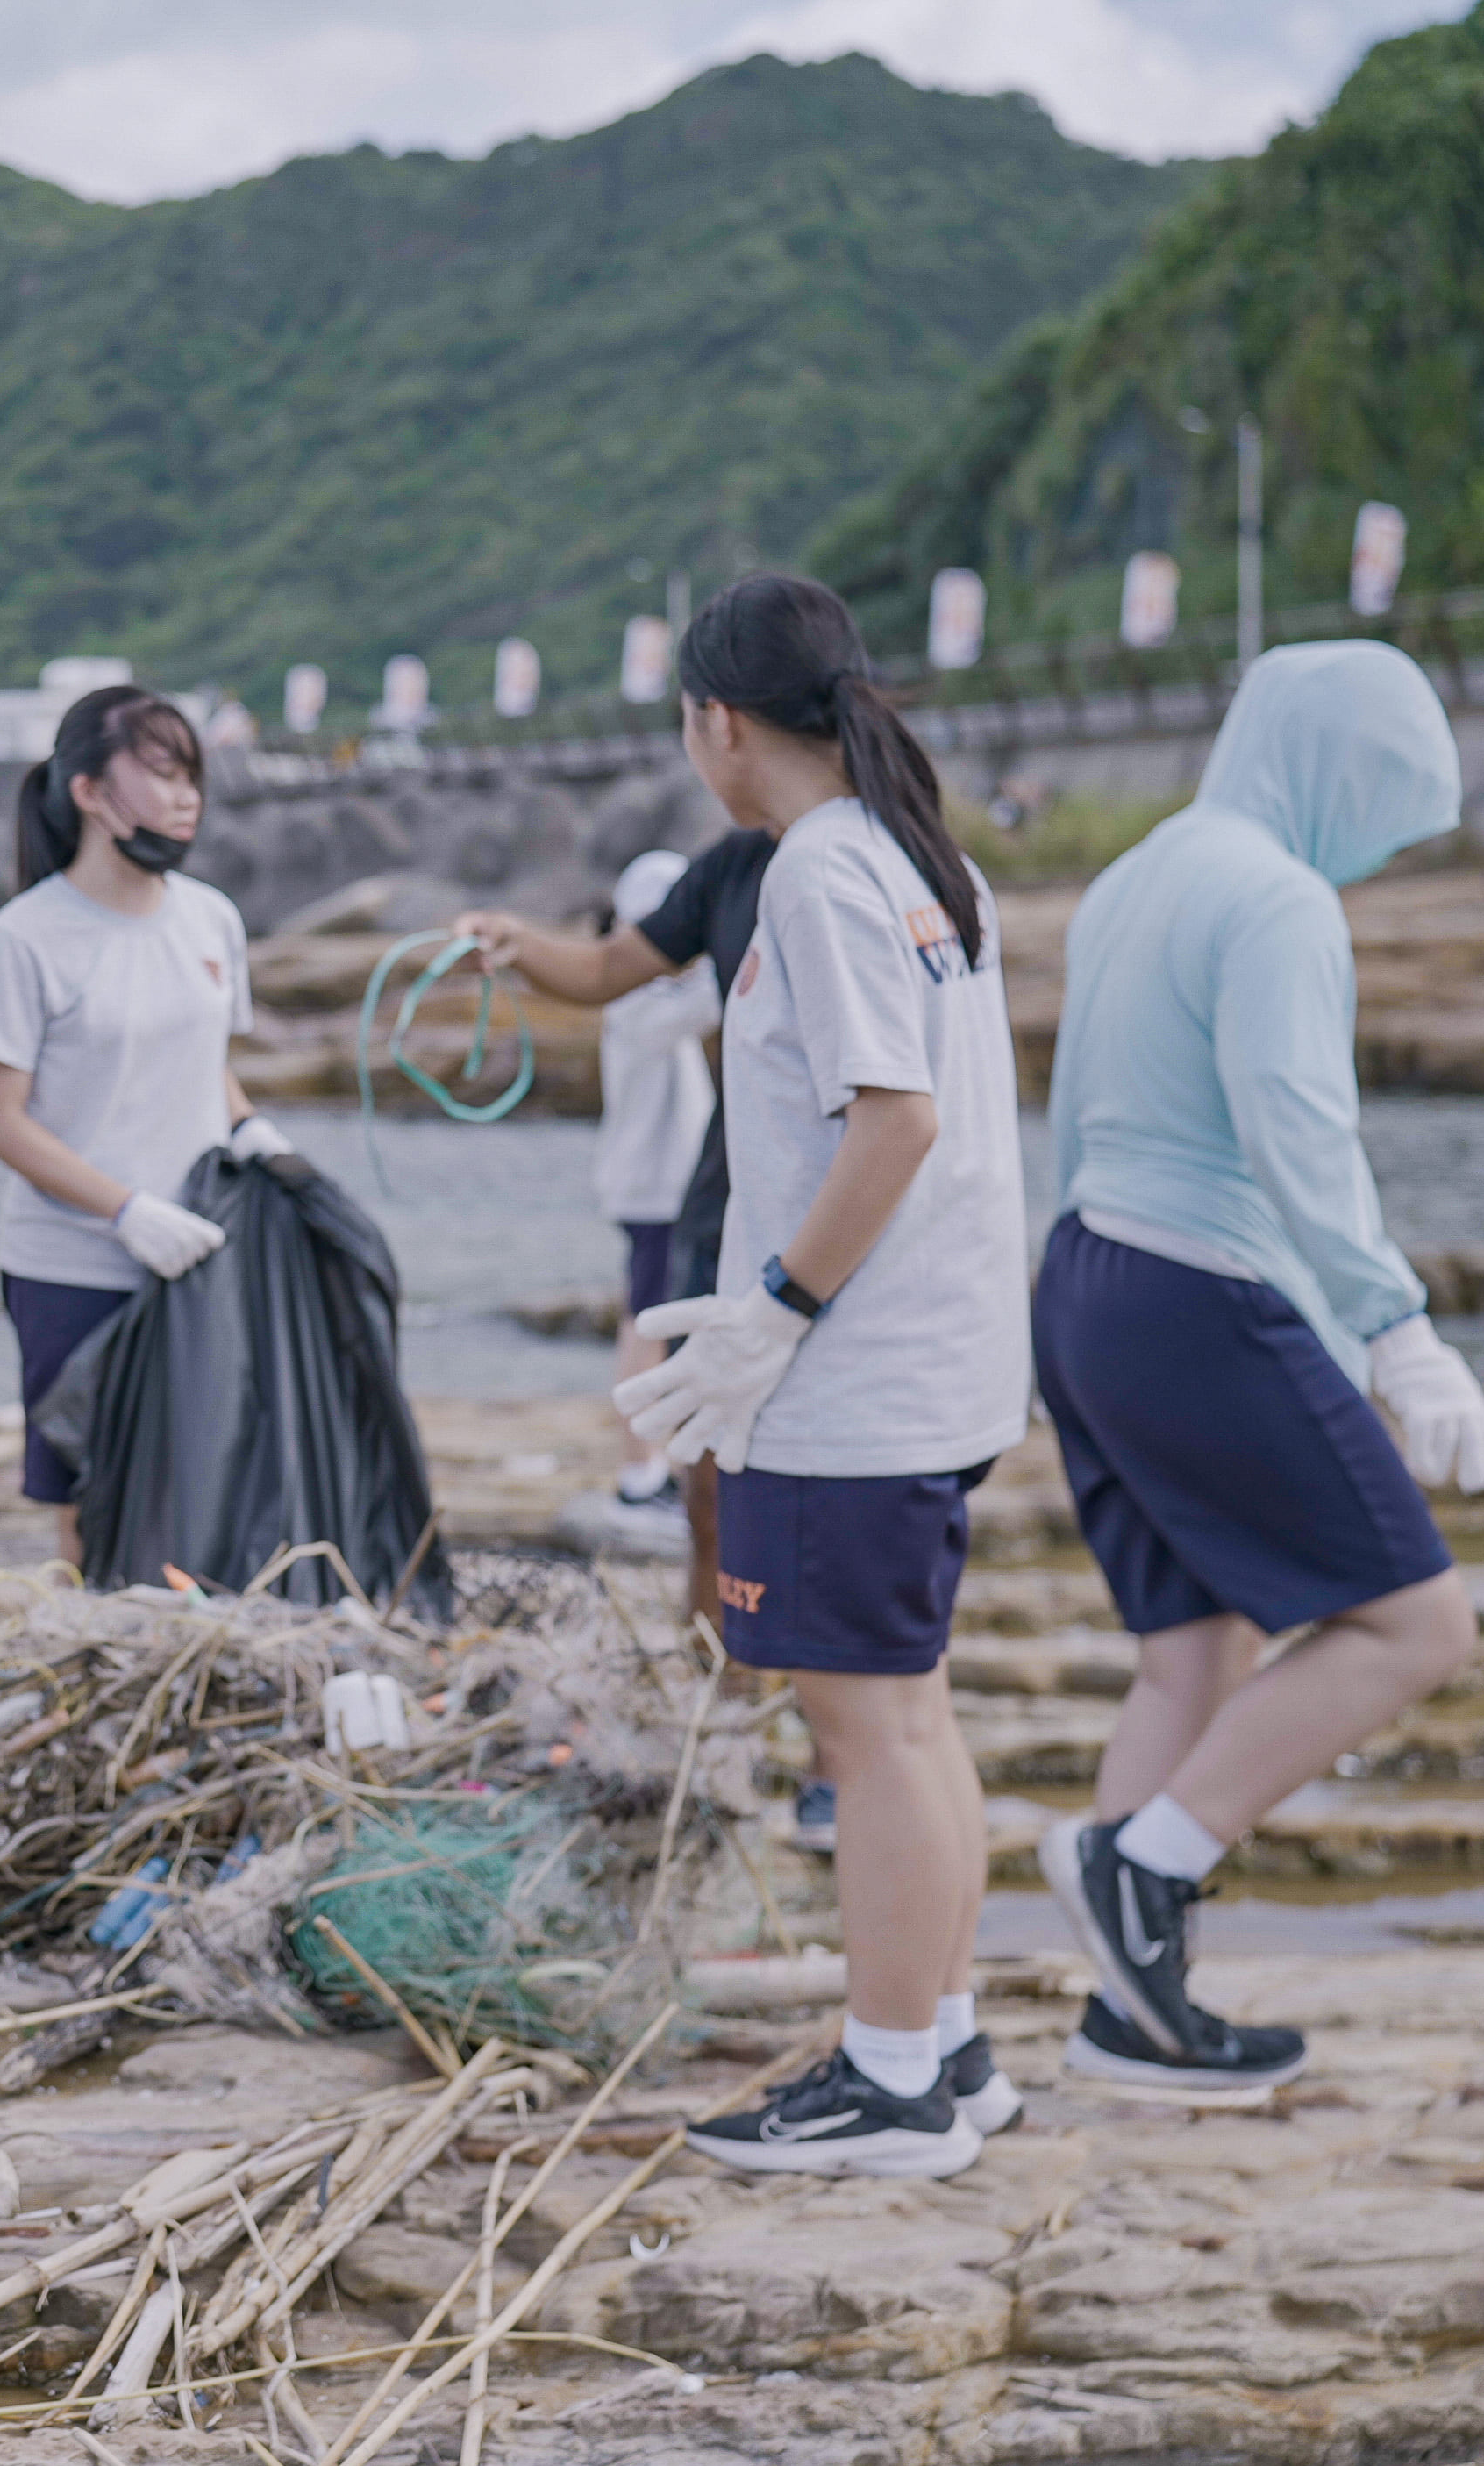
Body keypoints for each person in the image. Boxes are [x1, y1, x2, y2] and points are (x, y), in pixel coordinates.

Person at [608, 575, 1031, 2180]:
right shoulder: (919, 857)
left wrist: (775, 1304)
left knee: (870, 1734)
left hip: (861, 1381)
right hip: (932, 1360)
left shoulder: (821, 875)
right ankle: (947, 2037)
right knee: (909, 1716)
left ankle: (891, 2078)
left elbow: (894, 1117)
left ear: (719, 721)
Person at [1033, 641, 1484, 2093]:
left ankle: (1133, 2018)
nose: (1377, 847)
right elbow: (1296, 1125)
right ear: (1336, 763)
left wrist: (1044, 1319)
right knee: (1420, 1625)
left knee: (1194, 1648)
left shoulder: (1141, 871)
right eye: (1385, 804)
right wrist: (1395, 1325)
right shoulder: (1280, 900)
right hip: (1195, 1288)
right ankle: (1147, 1868)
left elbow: (1077, 1106)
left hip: (1090, 1278)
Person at [455, 823, 839, 1851]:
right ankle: (725, 1711)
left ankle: (828, 1753)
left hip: (821, 1228)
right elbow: (610, 971)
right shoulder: (724, 876)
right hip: (710, 1210)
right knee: (712, 1487)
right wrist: (514, 942)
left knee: (821, 1503)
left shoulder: (862, 867)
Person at [0, 684, 279, 1572]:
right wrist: (125, 1210)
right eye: (164, 773)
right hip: (73, 1268)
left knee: (202, 1484)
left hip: (198, 1257)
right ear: (90, 792)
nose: (187, 797)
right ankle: (96, 1671)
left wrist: (253, 1133)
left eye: (193, 777)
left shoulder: (210, 918)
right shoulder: (24, 938)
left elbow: (205, 1059)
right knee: (87, 1504)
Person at [589, 850, 719, 1508]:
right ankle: (639, 1471)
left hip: (660, 1188)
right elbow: (698, 1010)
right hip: (652, 1191)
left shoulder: (649, 989)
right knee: (646, 1323)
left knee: (654, 1320)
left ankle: (653, 1463)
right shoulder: (635, 994)